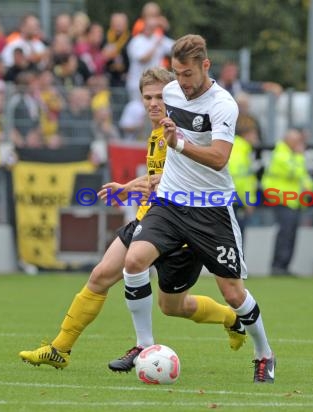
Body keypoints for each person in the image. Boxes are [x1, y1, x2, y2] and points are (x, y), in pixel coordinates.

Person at [18, 67, 245, 369]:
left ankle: (231, 317)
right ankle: (60, 349)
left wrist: (133, 186)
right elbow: (155, 179)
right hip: (149, 220)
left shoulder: (184, 131)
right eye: (147, 97)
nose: (153, 103)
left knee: (173, 306)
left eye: (159, 97)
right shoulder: (154, 134)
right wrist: (129, 187)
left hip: (183, 226)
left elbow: (184, 178)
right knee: (100, 276)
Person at [110, 35, 275, 383]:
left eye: (187, 74)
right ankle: (144, 346)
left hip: (211, 209)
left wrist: (179, 143)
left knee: (232, 293)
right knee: (134, 261)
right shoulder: (171, 93)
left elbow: (218, 158)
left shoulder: (223, 105)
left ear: (205, 66)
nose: (181, 82)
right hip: (171, 202)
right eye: (176, 73)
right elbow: (167, 135)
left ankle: (264, 353)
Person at [261, 129, 313, 276]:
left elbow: (305, 178)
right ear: (288, 141)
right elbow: (295, 172)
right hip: (282, 199)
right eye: (297, 141)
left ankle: (283, 266)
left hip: (293, 201)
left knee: (290, 234)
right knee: (285, 233)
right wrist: (299, 156)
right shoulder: (281, 154)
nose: (299, 144)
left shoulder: (290, 155)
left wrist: (309, 189)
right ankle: (278, 266)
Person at [228, 120, 260, 240]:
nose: (256, 137)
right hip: (236, 202)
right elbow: (240, 180)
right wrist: (248, 202)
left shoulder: (237, 147)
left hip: (230, 200)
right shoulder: (240, 150)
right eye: (254, 133)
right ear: (247, 134)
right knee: (237, 240)